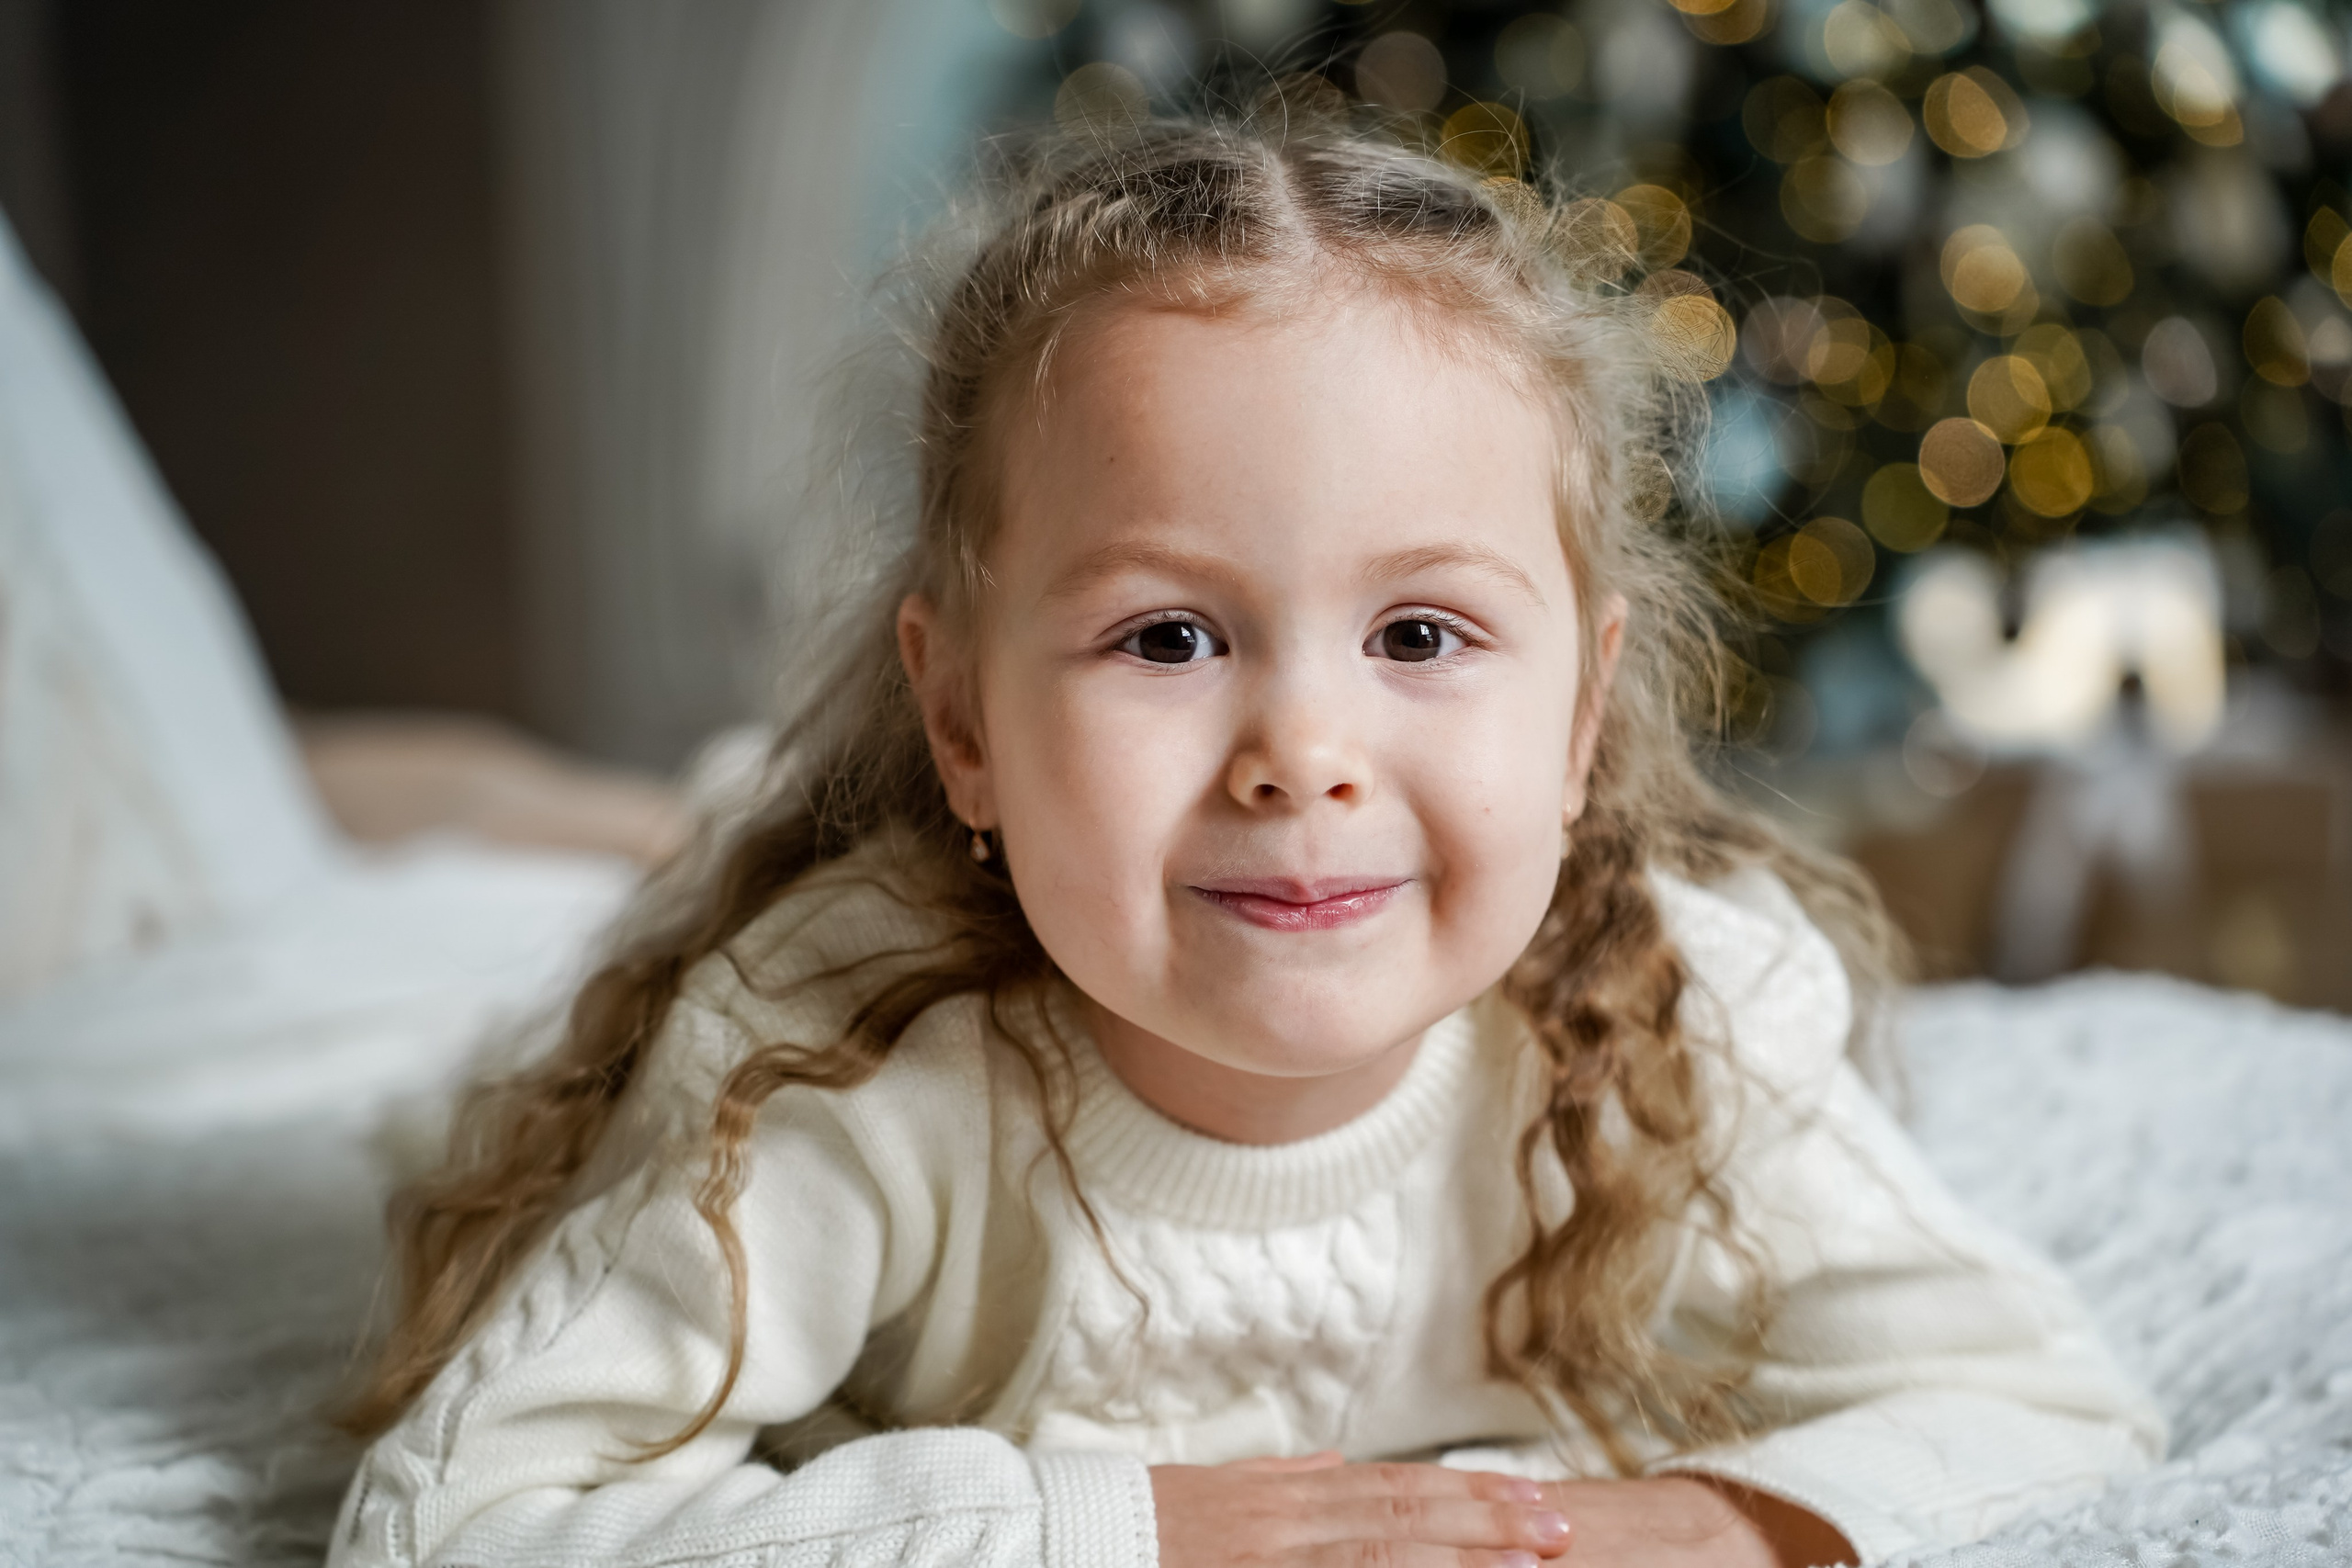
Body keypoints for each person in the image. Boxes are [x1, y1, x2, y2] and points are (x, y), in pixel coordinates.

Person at [327, 104, 2161, 1568]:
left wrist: (1699, 1521)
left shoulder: (1663, 1014)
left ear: (1579, 713)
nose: (1299, 755)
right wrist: (1114, 1531)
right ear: (960, 714)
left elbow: (2046, 1398)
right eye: (1167, 637)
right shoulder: (829, 1055)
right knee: (686, 852)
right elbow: (457, 1521)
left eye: (1420, 636)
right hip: (880, 894)